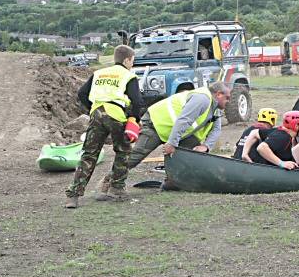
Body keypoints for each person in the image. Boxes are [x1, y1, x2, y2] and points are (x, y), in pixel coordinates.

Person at [96, 81, 231, 196]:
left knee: (189, 153)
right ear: (218, 94)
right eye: (227, 98)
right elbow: (183, 120)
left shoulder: (216, 108)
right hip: (156, 124)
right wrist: (172, 143)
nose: (228, 101)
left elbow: (216, 129)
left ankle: (171, 183)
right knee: (135, 156)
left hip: (174, 131)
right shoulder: (202, 99)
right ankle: (109, 181)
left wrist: (206, 146)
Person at [64, 45, 143, 208]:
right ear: (127, 59)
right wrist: (134, 118)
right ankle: (117, 188)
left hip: (96, 114)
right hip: (116, 116)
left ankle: (73, 196)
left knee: (89, 154)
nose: (132, 65)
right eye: (132, 61)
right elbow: (137, 101)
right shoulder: (128, 76)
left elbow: (81, 93)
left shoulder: (98, 74)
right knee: (123, 151)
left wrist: (92, 108)